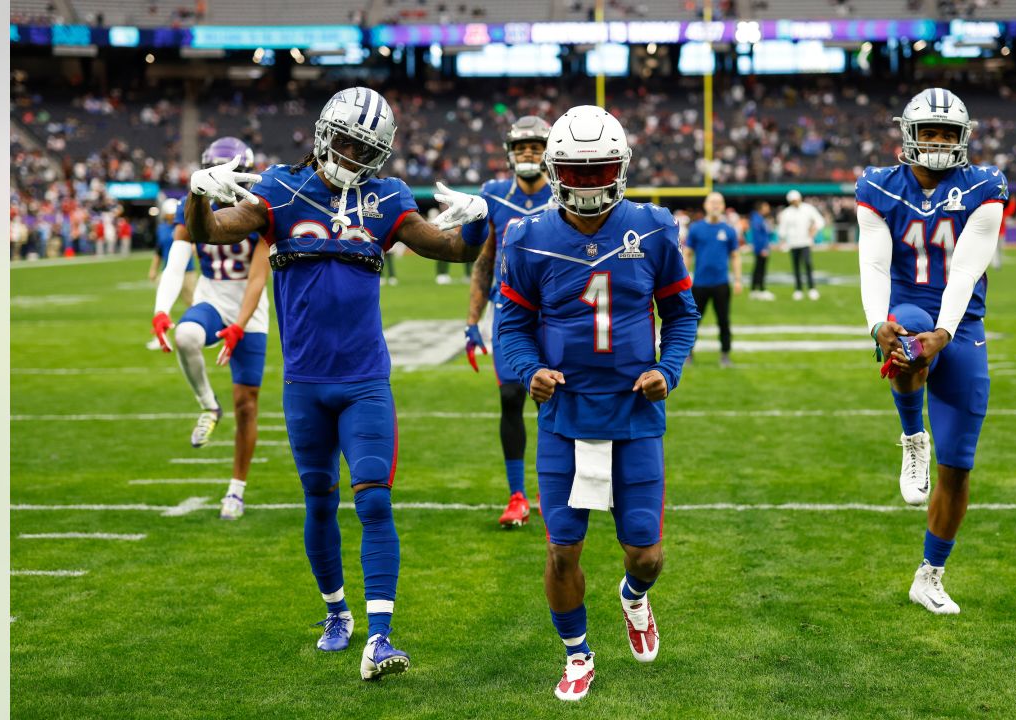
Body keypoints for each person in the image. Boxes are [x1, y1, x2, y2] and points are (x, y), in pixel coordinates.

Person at [181, 86, 488, 680]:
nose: (352, 154)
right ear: (325, 133)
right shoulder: (280, 187)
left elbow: (450, 249)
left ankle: (380, 637)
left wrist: (476, 225)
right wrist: (195, 194)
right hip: (304, 383)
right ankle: (335, 612)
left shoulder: (388, 196)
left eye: (364, 147)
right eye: (346, 140)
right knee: (319, 501)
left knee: (373, 499)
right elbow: (208, 232)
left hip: (365, 380)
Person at [497, 105, 700, 701]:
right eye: (577, 172)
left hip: (635, 417)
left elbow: (681, 313)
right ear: (556, 170)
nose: (588, 183)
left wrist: (668, 369)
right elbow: (511, 327)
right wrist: (528, 369)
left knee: (647, 555)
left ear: (620, 169)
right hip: (565, 416)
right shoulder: (528, 235)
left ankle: (633, 599)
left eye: (599, 170)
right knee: (563, 551)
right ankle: (577, 653)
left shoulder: (654, 226)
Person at [856, 87, 1008, 616]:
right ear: (909, 135)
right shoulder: (878, 186)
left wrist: (945, 331)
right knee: (905, 339)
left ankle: (930, 574)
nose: (939, 142)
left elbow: (966, 268)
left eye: (948, 133)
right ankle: (911, 431)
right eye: (931, 132)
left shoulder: (985, 184)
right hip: (910, 306)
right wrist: (878, 322)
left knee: (959, 466)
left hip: (963, 322)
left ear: (963, 138)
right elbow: (874, 265)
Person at [151, 137, 271, 522]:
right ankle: (208, 405)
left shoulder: (259, 207)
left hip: (250, 312)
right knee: (185, 335)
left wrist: (239, 325)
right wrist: (160, 310)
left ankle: (236, 489)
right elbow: (177, 260)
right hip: (211, 298)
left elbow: (257, 278)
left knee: (247, 405)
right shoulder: (194, 205)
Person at [460, 116, 555, 528]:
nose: (528, 153)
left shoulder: (565, 194)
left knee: (554, 399)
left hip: (556, 312)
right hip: (510, 313)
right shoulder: (494, 195)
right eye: (522, 147)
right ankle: (517, 494)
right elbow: (484, 260)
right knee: (511, 396)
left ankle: (553, 488)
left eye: (536, 146)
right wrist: (471, 321)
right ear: (510, 153)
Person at [682, 192, 743, 368]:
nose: (715, 205)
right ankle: (688, 354)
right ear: (706, 205)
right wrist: (684, 279)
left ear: (723, 206)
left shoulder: (729, 230)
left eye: (719, 202)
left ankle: (725, 354)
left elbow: (735, 256)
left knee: (724, 321)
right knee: (693, 321)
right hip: (699, 284)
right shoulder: (696, 229)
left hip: (721, 284)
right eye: (712, 202)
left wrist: (738, 279)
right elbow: (688, 253)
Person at [776, 189, 825, 300]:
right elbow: (782, 229)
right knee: (796, 267)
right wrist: (782, 240)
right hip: (793, 243)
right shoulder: (786, 213)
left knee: (808, 265)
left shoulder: (808, 209)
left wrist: (814, 229)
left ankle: (812, 288)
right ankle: (798, 289)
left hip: (805, 242)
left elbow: (820, 221)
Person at [748, 201, 775, 300]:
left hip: (762, 248)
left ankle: (755, 290)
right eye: (766, 207)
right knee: (760, 270)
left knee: (758, 269)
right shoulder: (757, 219)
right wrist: (762, 248)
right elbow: (758, 236)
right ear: (761, 208)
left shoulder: (759, 218)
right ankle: (761, 290)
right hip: (761, 249)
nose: (768, 209)